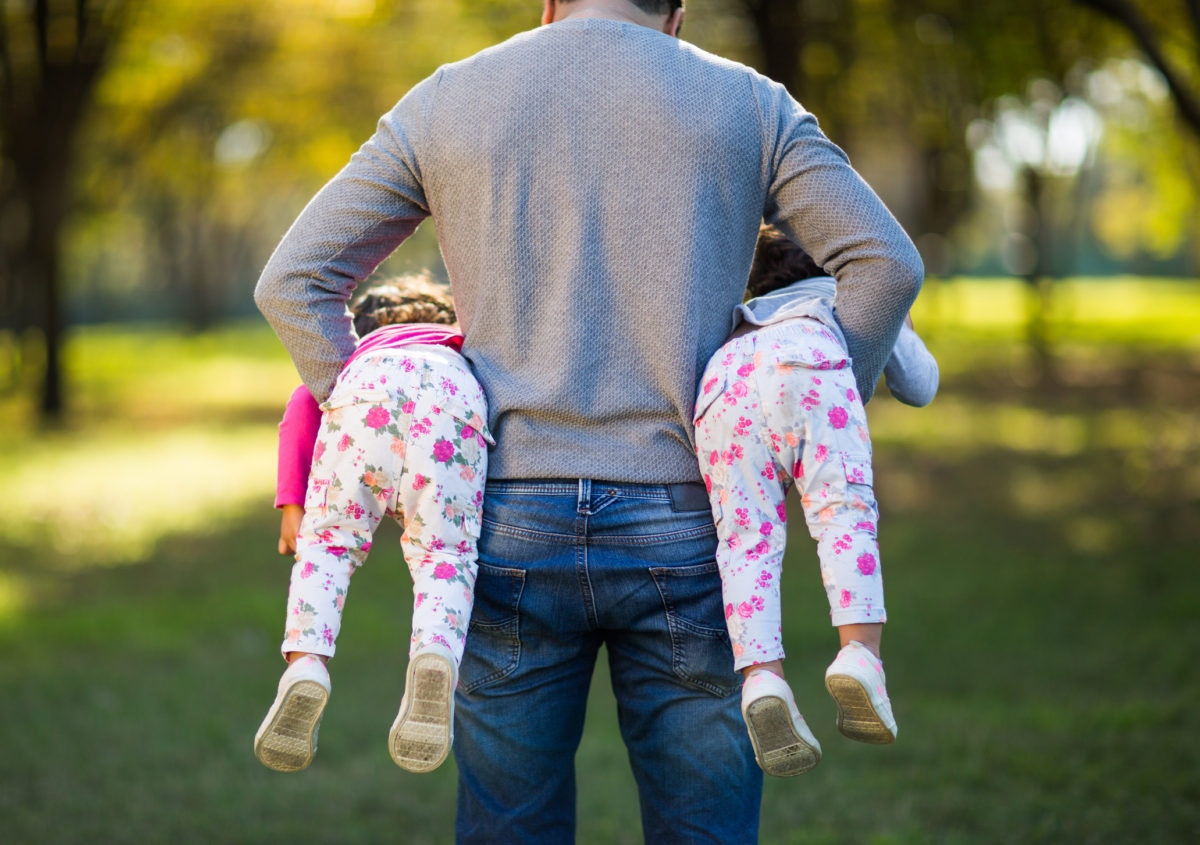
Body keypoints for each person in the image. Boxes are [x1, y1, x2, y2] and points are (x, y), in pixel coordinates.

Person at [254, 1, 923, 840]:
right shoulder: (751, 104)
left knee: (510, 824)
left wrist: (392, 441)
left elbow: (293, 282)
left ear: (548, 3)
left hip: (502, 525)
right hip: (690, 521)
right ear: (675, 15)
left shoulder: (444, 100)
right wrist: (795, 428)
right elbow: (886, 265)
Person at [694, 224, 938, 778]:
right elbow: (919, 384)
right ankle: (860, 656)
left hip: (724, 378)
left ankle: (762, 678)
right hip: (805, 359)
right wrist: (901, 320)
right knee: (841, 513)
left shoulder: (741, 313)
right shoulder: (848, 294)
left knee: (744, 541)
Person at [254, 274, 492, 776]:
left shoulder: (358, 353)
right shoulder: (462, 345)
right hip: (454, 393)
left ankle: (307, 664)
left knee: (329, 547)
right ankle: (435, 653)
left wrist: (293, 504)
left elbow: (302, 405)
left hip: (369, 390)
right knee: (444, 557)